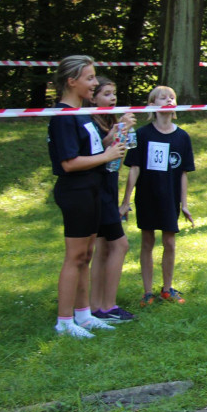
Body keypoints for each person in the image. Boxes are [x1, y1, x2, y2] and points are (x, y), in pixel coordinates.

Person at [47, 55, 126, 338]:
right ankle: (64, 321)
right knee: (75, 256)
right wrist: (107, 154)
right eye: (90, 78)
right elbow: (69, 163)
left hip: (93, 189)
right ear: (72, 82)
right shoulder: (62, 116)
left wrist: (112, 137)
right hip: (76, 191)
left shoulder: (82, 113)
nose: (94, 83)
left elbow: (91, 150)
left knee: (86, 255)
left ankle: (84, 316)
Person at [120, 86, 195, 305]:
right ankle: (146, 292)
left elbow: (183, 173)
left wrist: (184, 203)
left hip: (169, 198)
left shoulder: (182, 137)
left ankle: (167, 288)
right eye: (162, 98)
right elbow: (134, 168)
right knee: (147, 241)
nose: (168, 100)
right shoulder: (142, 134)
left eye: (171, 97)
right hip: (147, 196)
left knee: (170, 242)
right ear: (152, 105)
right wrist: (125, 201)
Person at [89, 78, 137, 323]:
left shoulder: (108, 121)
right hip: (98, 192)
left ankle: (96, 305)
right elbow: (99, 150)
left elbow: (116, 155)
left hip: (108, 187)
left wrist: (124, 133)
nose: (112, 98)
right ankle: (107, 307)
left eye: (114, 93)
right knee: (120, 245)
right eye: (106, 94)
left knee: (103, 248)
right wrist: (119, 130)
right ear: (93, 98)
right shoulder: (91, 123)